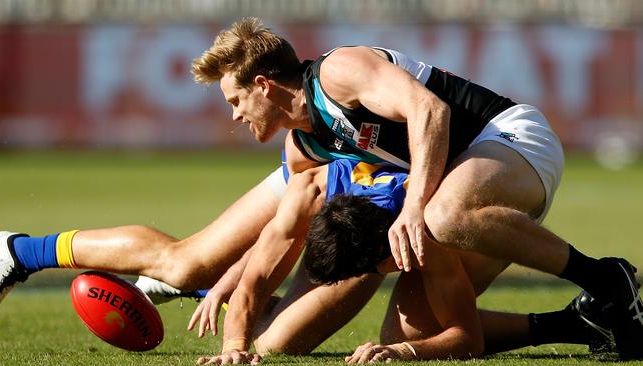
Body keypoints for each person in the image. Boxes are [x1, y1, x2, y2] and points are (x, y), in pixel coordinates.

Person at [189, 17, 642, 361]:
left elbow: (431, 111)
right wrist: (231, 316)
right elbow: (280, 237)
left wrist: (413, 209)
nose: (233, 116)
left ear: (264, 86)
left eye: (234, 100)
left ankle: (605, 278)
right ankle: (582, 323)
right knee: (407, 339)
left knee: (441, 216)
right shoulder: (303, 147)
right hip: (458, 195)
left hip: (509, 138)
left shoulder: (338, 72)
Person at [191, 153, 616, 364]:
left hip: (494, 203)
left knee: (408, 332)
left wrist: (407, 352)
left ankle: (575, 318)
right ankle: (578, 322)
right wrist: (233, 348)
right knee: (270, 344)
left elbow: (466, 337)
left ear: (382, 255)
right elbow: (254, 280)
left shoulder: (424, 237)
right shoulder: (307, 192)